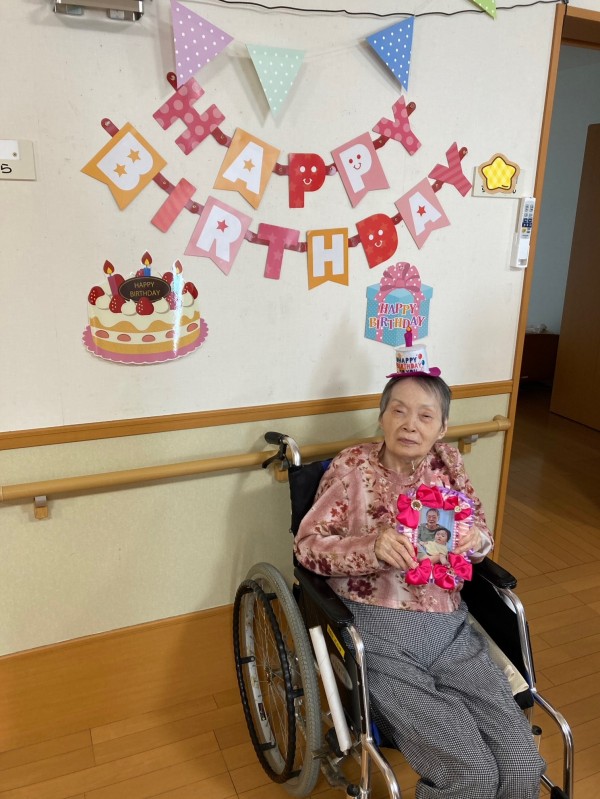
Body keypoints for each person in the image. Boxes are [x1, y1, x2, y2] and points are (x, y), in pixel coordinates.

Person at [294, 370, 545, 799]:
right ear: (382, 417)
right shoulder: (353, 468)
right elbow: (307, 547)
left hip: (452, 631)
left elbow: (482, 536)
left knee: (522, 764)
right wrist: (371, 546)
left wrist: (474, 540)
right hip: (377, 633)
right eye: (399, 411)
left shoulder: (448, 468)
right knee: (472, 774)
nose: (410, 424)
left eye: (425, 416)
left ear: (441, 428)